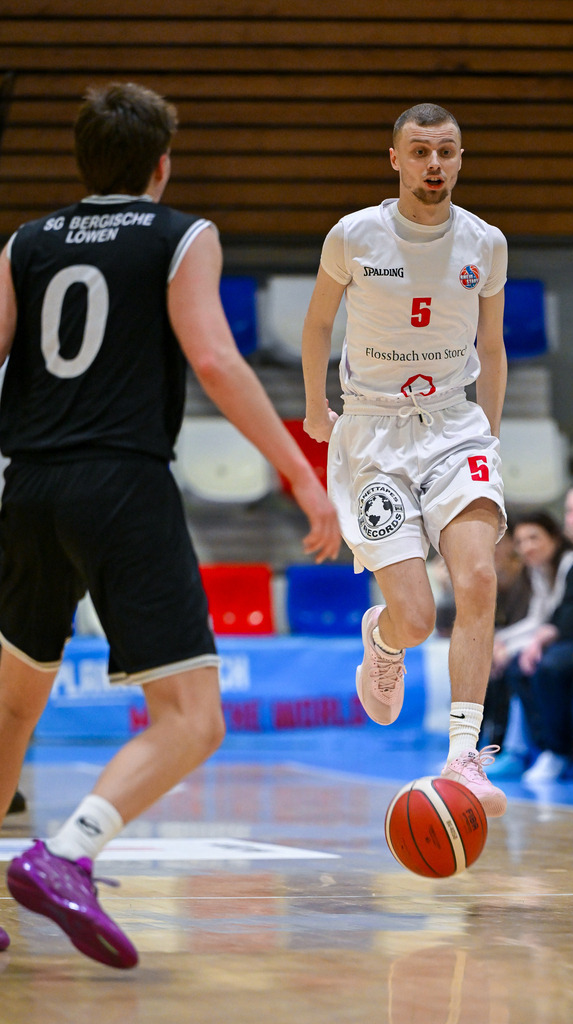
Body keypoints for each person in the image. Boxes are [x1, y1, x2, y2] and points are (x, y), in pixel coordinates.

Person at [0, 81, 340, 967]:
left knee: (12, 706)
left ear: (82, 161)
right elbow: (216, 359)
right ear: (161, 165)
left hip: (28, 485)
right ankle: (67, 853)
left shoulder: (25, 241)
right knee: (194, 719)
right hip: (121, 483)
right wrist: (302, 474)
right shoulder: (179, 233)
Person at [302, 102, 508, 817]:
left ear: (461, 158)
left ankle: (464, 757)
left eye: (446, 151)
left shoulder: (486, 242)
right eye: (420, 151)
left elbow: (492, 347)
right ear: (395, 159)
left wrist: (489, 435)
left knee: (478, 577)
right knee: (416, 618)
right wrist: (315, 407)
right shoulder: (353, 235)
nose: (434, 164)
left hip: (454, 426)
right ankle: (383, 642)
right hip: (374, 432)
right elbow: (318, 324)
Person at [506, 478, 573, 784]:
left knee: (551, 667)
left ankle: (559, 751)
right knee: (518, 666)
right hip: (566, 639)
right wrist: (539, 639)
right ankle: (540, 748)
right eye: (571, 511)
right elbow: (559, 612)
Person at [482, 511, 573, 771]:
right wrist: (496, 642)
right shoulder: (537, 570)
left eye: (534, 538)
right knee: (495, 663)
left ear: (554, 537)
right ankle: (492, 747)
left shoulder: (569, 564)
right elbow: (537, 620)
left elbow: (553, 622)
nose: (527, 547)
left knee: (523, 667)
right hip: (548, 635)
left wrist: (504, 646)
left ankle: (545, 751)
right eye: (521, 541)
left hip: (570, 637)